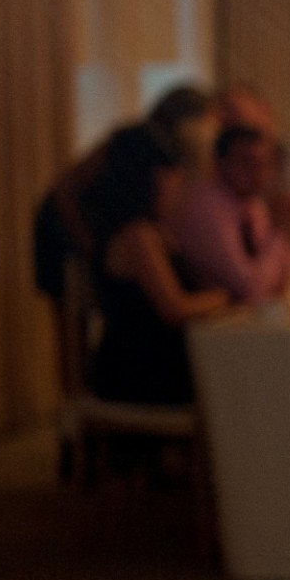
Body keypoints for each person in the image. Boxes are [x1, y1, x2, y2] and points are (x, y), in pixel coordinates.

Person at [82, 126, 231, 404]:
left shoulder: (154, 230)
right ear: (148, 179)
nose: (178, 184)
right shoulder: (139, 236)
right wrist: (225, 298)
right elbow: (175, 308)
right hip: (139, 371)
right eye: (170, 174)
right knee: (232, 380)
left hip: (151, 362)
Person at [33, 84, 216, 303]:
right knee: (74, 301)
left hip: (108, 223)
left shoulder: (170, 148)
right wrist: (91, 248)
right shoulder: (131, 140)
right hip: (67, 222)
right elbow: (65, 192)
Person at [168, 125, 290, 307]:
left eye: (264, 164)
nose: (258, 174)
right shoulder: (206, 206)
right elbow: (251, 289)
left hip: (237, 322)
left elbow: (288, 276)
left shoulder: (252, 204)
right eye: (246, 163)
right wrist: (278, 230)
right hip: (206, 328)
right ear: (219, 163)